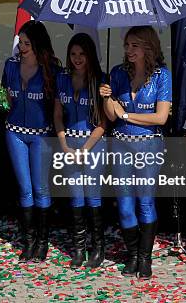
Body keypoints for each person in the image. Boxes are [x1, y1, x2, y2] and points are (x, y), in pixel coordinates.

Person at [99, 26, 171, 279]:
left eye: (134, 46)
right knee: (125, 206)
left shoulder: (162, 76)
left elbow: (160, 118)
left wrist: (127, 114)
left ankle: (145, 257)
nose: (128, 50)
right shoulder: (117, 74)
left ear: (148, 48)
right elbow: (111, 116)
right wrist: (107, 97)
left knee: (145, 202)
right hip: (120, 144)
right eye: (127, 45)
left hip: (149, 145)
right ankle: (132, 255)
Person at [2, 20, 61, 262]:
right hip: (14, 132)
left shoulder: (52, 70)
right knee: (25, 189)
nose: (22, 47)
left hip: (41, 135)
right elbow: (8, 96)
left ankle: (43, 242)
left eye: (27, 43)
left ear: (38, 43)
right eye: (21, 43)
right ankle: (28, 242)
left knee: (41, 188)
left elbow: (58, 104)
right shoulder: (10, 66)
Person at [53, 33, 106, 269]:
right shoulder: (62, 78)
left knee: (92, 196)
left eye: (82, 54)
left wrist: (85, 149)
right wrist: (64, 144)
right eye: (73, 54)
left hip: (92, 145)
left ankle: (98, 248)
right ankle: (78, 247)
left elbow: (104, 122)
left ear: (90, 55)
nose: (77, 59)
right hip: (68, 144)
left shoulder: (100, 81)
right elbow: (57, 114)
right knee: (76, 196)